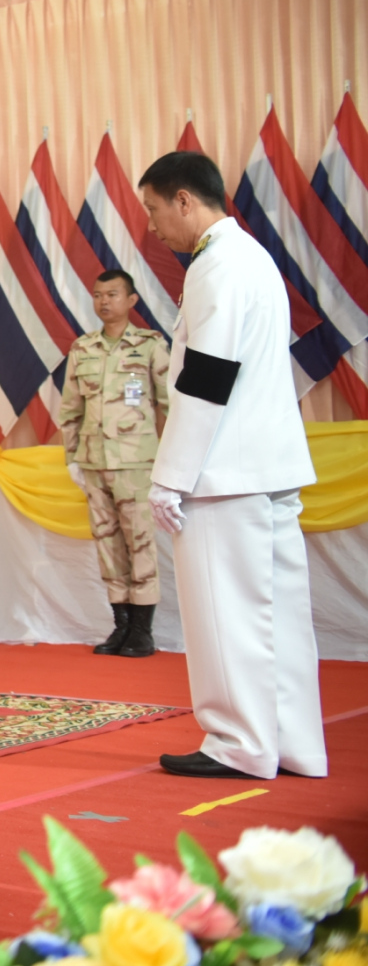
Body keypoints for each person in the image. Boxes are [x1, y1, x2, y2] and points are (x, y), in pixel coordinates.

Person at [139, 150, 325, 780]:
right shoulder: (255, 258)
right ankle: (293, 742)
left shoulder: (215, 265)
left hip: (223, 472)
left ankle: (237, 742)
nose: (153, 227)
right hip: (267, 466)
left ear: (184, 200)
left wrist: (170, 475)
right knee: (280, 618)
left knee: (227, 616)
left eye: (154, 210)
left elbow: (206, 378)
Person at [57, 269, 171, 657]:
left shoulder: (150, 345)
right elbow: (70, 410)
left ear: (132, 300)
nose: (104, 301)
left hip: (137, 463)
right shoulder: (82, 348)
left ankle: (142, 630)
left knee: (140, 542)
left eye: (112, 294)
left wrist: (170, 462)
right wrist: (72, 458)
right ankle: (120, 626)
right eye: (97, 295)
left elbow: (170, 405)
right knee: (108, 544)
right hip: (93, 463)